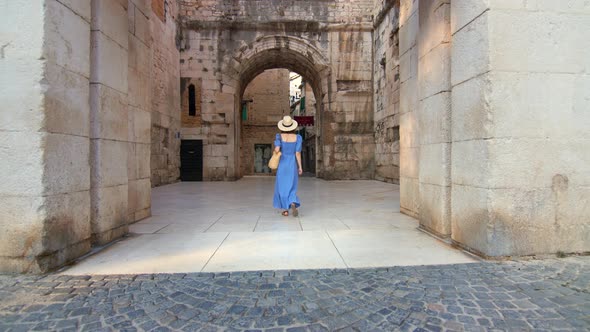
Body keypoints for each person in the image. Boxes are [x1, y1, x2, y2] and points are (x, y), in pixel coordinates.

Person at [273, 116, 303, 217]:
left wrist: (278, 146)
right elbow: (297, 153)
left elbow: (277, 150)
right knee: (292, 186)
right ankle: (293, 202)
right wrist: (300, 167)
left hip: (282, 165)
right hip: (292, 165)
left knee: (282, 187)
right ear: (293, 126)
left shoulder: (279, 136)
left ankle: (285, 210)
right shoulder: (298, 138)